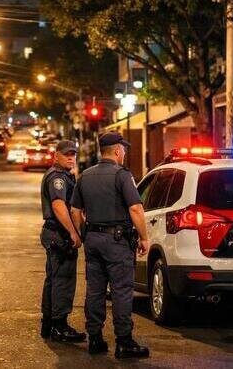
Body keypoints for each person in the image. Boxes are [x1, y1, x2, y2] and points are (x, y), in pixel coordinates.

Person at [70, 132, 150, 358]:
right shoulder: (122, 175)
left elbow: (75, 210)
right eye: (123, 149)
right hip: (117, 242)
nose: (124, 153)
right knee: (121, 290)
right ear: (116, 151)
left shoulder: (85, 176)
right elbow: (135, 208)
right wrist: (144, 237)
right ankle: (124, 341)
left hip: (93, 239)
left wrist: (84, 233)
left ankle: (95, 338)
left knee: (95, 290)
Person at [39, 140, 86, 343]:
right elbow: (58, 205)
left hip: (55, 233)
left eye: (73, 154)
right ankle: (59, 326)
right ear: (55, 155)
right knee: (63, 281)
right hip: (59, 235)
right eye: (66, 154)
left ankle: (49, 323)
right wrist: (73, 232)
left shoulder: (64, 175)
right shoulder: (57, 177)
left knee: (53, 279)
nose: (71, 158)